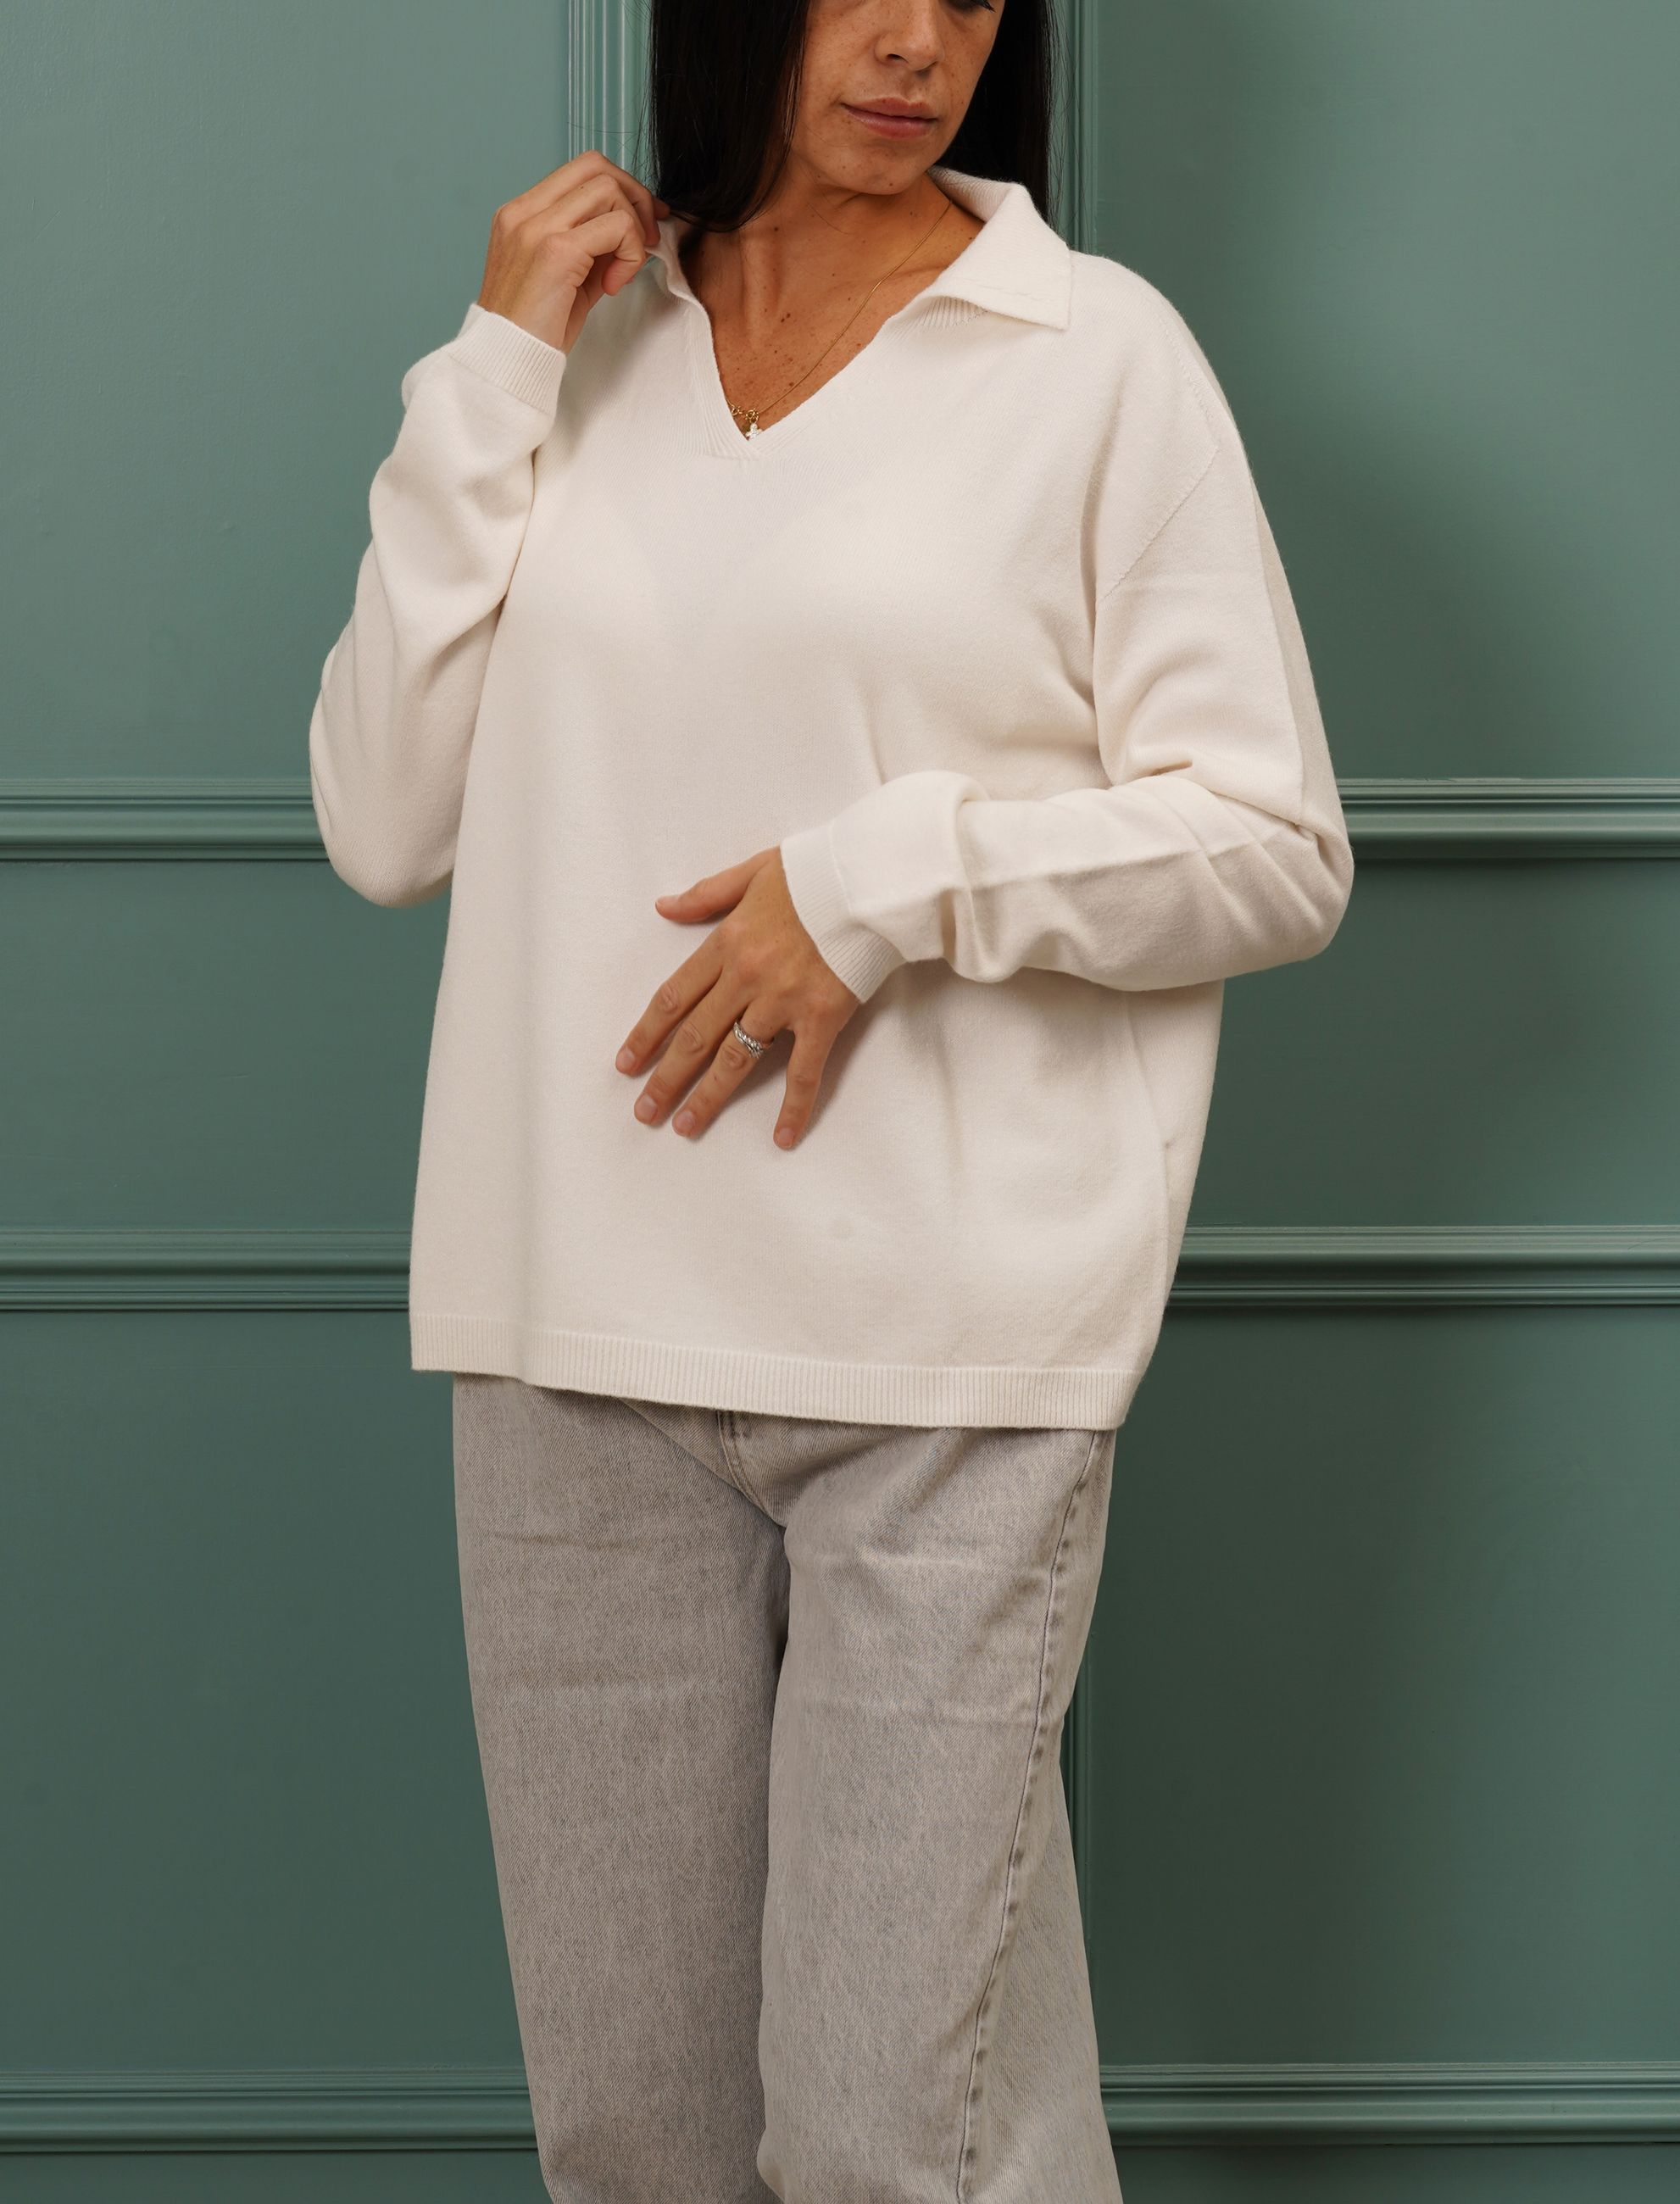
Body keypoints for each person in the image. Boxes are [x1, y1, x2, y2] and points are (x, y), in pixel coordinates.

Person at [307, 1, 1354, 2196]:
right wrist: (489, 370)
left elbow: (1273, 847)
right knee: (639, 2143)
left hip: (948, 1361)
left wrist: (884, 886)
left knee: (895, 2139)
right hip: (574, 1337)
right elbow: (385, 821)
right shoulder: (581, 353)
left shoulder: (1091, 354)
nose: (918, 38)